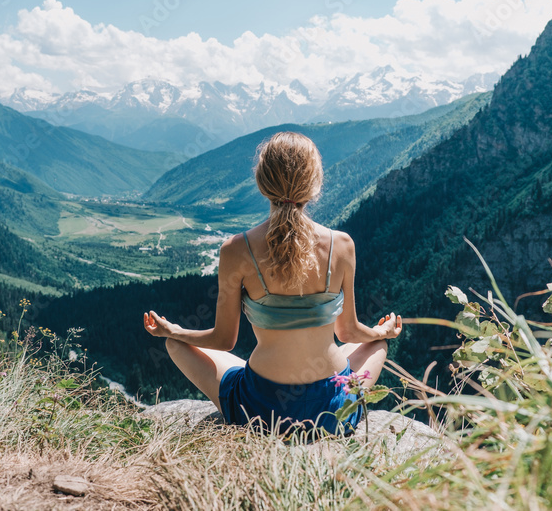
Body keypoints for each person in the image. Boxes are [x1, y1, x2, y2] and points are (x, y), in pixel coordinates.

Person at [143, 131, 402, 436]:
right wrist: (382, 332)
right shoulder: (341, 245)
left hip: (261, 409)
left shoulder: (236, 249)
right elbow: (349, 332)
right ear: (314, 184)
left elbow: (224, 340)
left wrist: (171, 330)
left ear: (262, 182)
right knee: (377, 344)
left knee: (176, 344)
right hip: (332, 409)